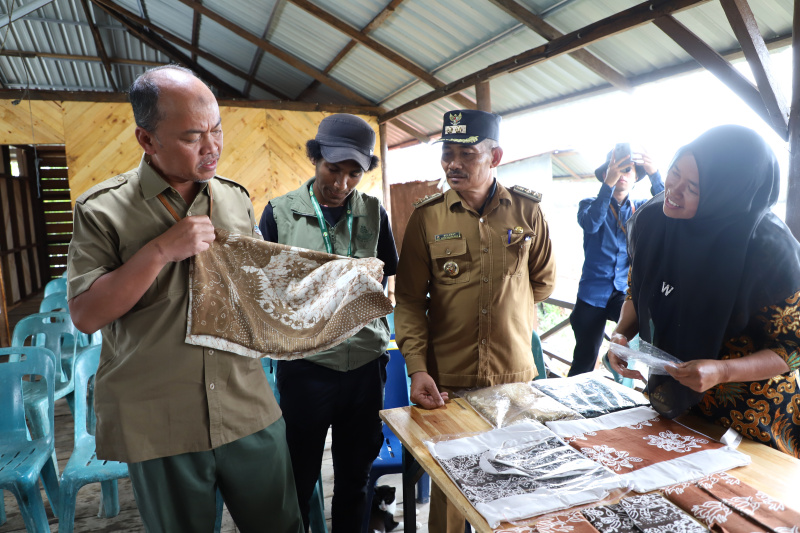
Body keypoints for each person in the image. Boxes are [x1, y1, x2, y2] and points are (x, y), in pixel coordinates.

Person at [67, 65, 303, 532]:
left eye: (217, 129)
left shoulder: (234, 199)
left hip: (246, 407)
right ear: (147, 140)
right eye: (193, 136)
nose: (212, 146)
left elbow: (256, 291)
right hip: (161, 422)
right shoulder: (103, 210)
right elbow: (86, 315)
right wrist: (159, 250)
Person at [395, 109, 556, 532]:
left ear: (495, 156)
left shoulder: (526, 210)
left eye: (466, 154)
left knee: (516, 486)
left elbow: (541, 282)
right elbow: (409, 301)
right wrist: (417, 368)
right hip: (449, 379)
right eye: (448, 153)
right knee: (452, 491)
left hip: (514, 379)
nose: (453, 164)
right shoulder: (427, 217)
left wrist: (509, 311)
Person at [608, 125, 800, 458]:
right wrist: (621, 336)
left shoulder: (768, 252)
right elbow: (637, 291)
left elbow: (792, 349)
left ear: (726, 194)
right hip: (673, 405)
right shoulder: (652, 223)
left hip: (750, 421)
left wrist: (722, 371)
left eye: (693, 187)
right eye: (675, 173)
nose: (674, 190)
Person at [258, 113, 398, 531]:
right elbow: (266, 290)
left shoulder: (374, 213)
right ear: (316, 158)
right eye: (333, 169)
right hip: (307, 367)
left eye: (354, 173)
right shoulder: (280, 215)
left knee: (355, 479)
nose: (341, 183)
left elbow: (384, 275)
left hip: (365, 367)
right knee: (298, 477)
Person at [568, 146, 663, 376]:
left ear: (635, 178)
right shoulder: (588, 204)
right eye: (616, 170)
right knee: (584, 359)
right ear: (605, 175)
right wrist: (607, 187)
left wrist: (655, 174)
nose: (622, 174)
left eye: (628, 170)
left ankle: (618, 366)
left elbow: (665, 209)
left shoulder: (640, 208)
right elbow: (591, 223)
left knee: (648, 330)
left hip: (622, 292)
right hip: (591, 295)